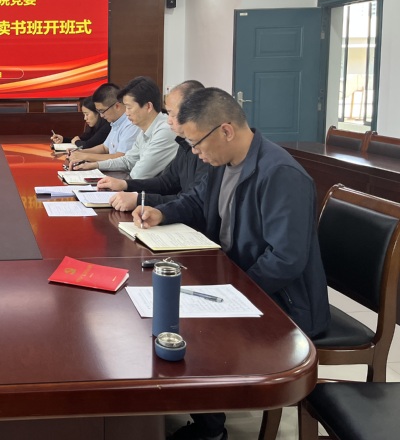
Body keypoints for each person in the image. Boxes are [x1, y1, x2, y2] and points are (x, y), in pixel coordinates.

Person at [134, 88, 330, 440]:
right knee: (164, 306)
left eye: (196, 143)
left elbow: (286, 259)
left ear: (225, 130)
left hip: (283, 303)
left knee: (189, 327)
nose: (195, 152)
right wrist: (161, 212)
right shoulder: (221, 163)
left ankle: (210, 431)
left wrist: (231, 294)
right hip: (239, 281)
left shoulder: (280, 174)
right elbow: (195, 201)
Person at [100, 80, 208, 210]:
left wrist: (140, 200)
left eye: (172, 114)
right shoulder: (184, 143)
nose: (169, 121)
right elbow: (167, 182)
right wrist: (125, 185)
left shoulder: (208, 151)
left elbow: (194, 202)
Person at [72, 76, 177, 178]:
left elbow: (138, 174)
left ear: (148, 106)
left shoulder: (164, 131)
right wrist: (95, 165)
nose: (126, 113)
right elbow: (128, 161)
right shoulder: (144, 130)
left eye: (129, 108)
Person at [65, 83, 139, 168]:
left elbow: (120, 158)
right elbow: (104, 148)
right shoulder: (115, 122)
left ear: (117, 106)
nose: (101, 115)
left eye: (102, 111)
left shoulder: (131, 123)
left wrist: (85, 156)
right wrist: (80, 152)